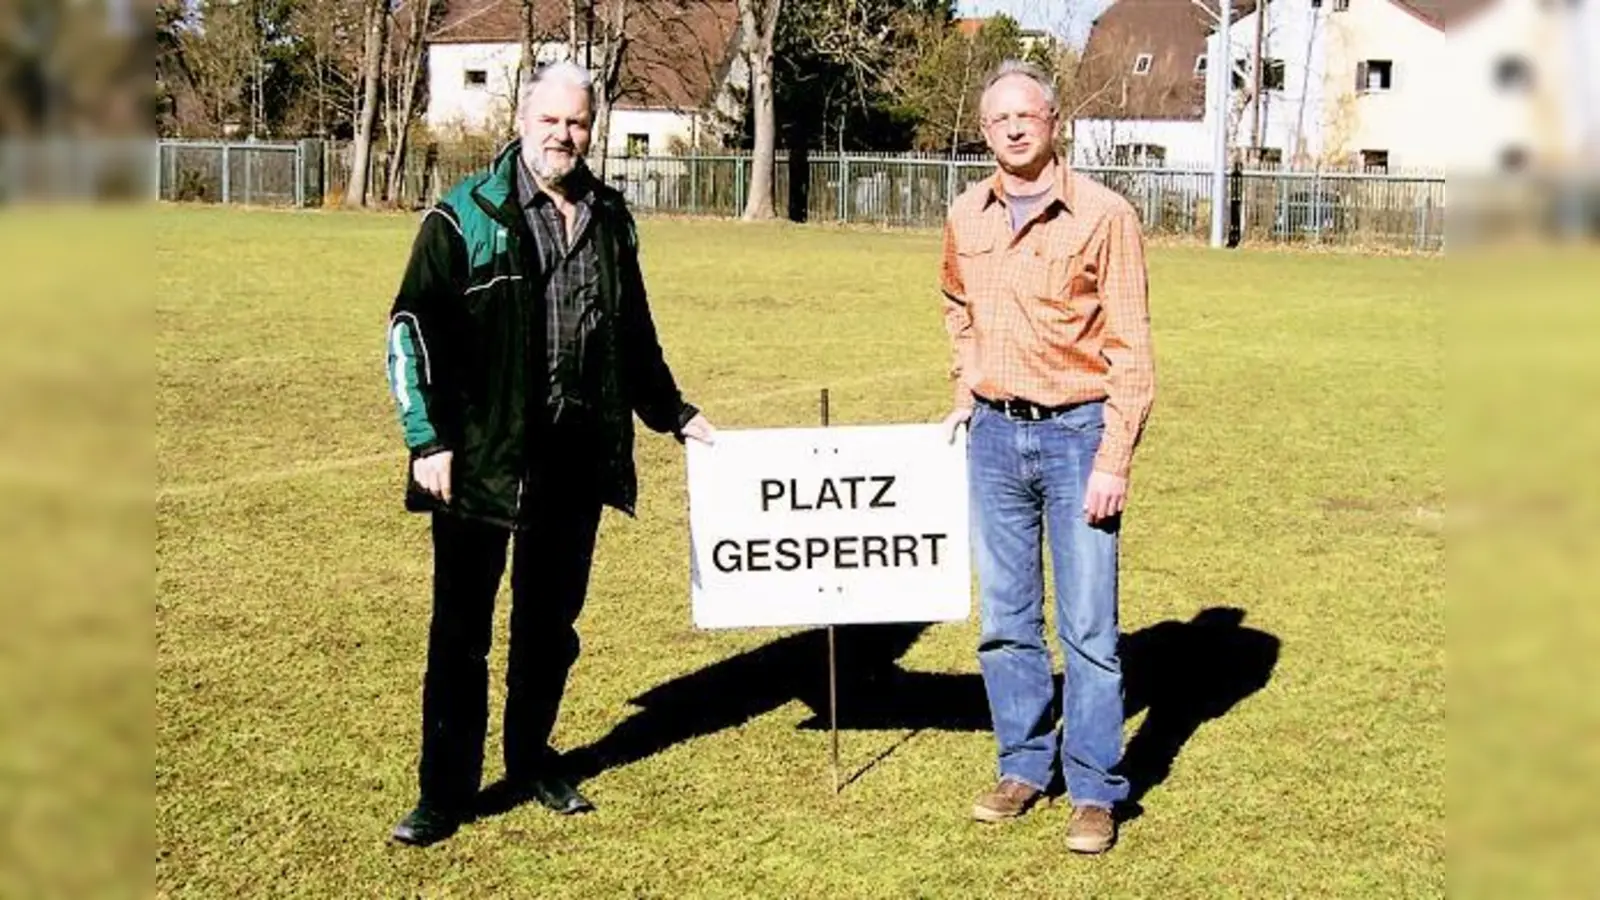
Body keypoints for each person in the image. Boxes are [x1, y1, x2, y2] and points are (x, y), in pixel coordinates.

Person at [383, 61, 714, 847]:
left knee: (548, 628)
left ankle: (531, 758)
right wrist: (427, 439)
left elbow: (633, 334)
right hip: (480, 459)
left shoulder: (609, 217)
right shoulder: (465, 214)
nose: (565, 135)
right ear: (521, 121)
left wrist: (675, 414)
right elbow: (408, 330)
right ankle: (443, 793)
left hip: (576, 456)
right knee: (460, 633)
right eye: (551, 121)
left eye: (578, 123)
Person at [938, 60, 1155, 855]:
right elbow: (956, 303)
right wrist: (967, 383)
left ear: (1053, 121)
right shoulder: (965, 214)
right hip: (994, 437)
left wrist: (1115, 457)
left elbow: (1131, 346)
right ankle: (1023, 766)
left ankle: (1095, 788)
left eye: (1027, 116)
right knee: (1005, 621)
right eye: (999, 121)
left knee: (1091, 628)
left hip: (1077, 439)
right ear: (986, 132)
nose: (1014, 129)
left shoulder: (1104, 215)